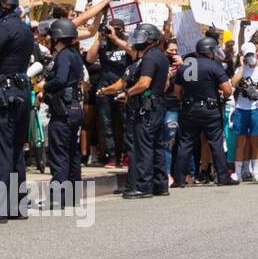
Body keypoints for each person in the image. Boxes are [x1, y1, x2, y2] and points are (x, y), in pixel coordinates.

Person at [0, 0, 33, 222]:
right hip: (19, 92)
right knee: (17, 150)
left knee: (0, 151)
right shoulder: (23, 27)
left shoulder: (4, 28)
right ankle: (16, 207)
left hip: (3, 95)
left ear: (3, 2)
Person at [174, 36, 236, 186]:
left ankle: (179, 180)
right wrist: (222, 95)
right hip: (210, 110)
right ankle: (222, 177)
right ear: (209, 52)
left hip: (189, 109)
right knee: (215, 143)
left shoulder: (187, 65)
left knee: (185, 143)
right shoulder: (213, 66)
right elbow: (227, 90)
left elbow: (177, 92)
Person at [119, 23, 171, 199]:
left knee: (144, 147)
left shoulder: (149, 58)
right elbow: (165, 85)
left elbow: (144, 83)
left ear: (150, 39)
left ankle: (143, 187)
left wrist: (127, 93)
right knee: (157, 146)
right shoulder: (162, 57)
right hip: (158, 105)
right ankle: (160, 185)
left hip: (148, 108)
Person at [42, 18, 86, 208]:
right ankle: (72, 196)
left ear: (57, 37)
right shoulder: (74, 55)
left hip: (63, 109)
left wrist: (46, 86)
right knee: (71, 153)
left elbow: (59, 80)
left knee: (59, 154)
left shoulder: (64, 56)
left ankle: (57, 197)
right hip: (73, 108)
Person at [86, 18, 131, 167]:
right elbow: (90, 58)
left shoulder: (126, 42)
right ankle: (111, 155)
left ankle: (126, 155)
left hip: (124, 88)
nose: (114, 30)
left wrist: (116, 38)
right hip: (104, 88)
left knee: (126, 123)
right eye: (112, 28)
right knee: (106, 124)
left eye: (118, 28)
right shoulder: (104, 43)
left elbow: (133, 52)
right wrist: (100, 38)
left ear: (123, 30)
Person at [231, 42, 258, 182]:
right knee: (241, 141)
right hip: (241, 107)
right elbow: (233, 83)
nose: (251, 57)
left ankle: (256, 171)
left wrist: (256, 86)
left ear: (257, 53)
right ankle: (238, 172)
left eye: (252, 54)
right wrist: (241, 66)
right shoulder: (241, 68)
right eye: (248, 55)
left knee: (255, 139)